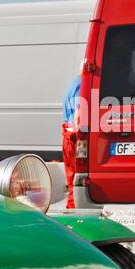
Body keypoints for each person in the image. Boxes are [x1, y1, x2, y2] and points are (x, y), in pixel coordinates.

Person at [60, 76, 81, 210]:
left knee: (72, 181)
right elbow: (79, 115)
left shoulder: (74, 83)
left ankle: (71, 214)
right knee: (78, 182)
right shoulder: (83, 84)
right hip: (75, 137)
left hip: (68, 135)